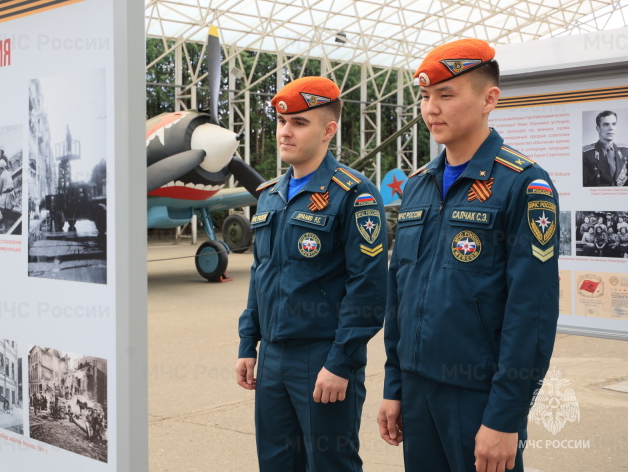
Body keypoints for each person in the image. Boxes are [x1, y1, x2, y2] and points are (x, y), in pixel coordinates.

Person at [377, 39, 559, 472]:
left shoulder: (524, 184)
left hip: (479, 395)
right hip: (417, 391)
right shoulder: (418, 185)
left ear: (488, 100)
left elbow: (531, 312)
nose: (431, 109)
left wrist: (506, 416)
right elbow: (399, 292)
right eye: (425, 97)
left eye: (446, 95)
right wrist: (394, 384)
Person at [236, 76, 388, 471]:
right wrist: (248, 343)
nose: (285, 132)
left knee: (329, 463)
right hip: (272, 357)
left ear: (328, 130)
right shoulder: (270, 195)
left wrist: (341, 361)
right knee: (276, 462)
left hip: (322, 356)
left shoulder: (354, 194)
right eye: (282, 122)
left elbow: (368, 287)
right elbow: (261, 273)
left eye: (299, 123)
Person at [583, 110, 628, 186]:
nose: (611, 128)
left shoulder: (626, 150)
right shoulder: (586, 154)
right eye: (606, 124)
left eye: (613, 124)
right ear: (598, 129)